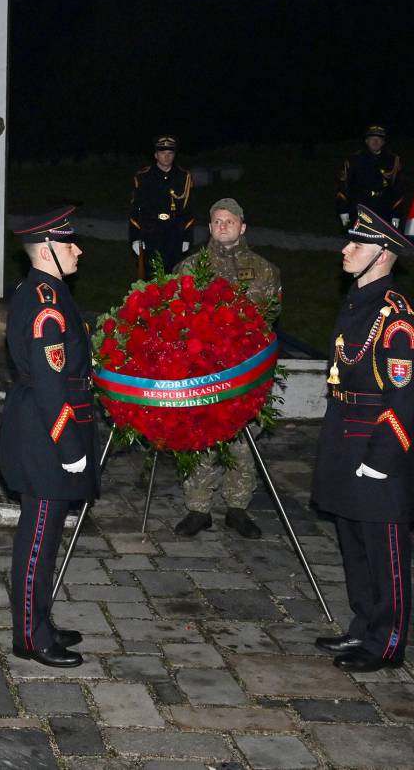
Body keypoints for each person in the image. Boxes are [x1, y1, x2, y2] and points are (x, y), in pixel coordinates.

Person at [311, 205, 414, 673]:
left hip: (378, 450)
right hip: (345, 442)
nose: (345, 249)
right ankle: (363, 626)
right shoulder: (359, 305)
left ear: (383, 255)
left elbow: (404, 401)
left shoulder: (397, 322)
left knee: (385, 553)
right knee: (354, 544)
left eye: (356, 244)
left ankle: (388, 642)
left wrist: (380, 460)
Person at [0, 206, 97, 668]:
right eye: (69, 243)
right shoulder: (46, 307)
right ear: (49, 249)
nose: (78, 250)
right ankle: (29, 638)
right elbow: (53, 388)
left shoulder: (45, 292)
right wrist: (70, 448)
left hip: (39, 425)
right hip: (45, 433)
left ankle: (41, 620)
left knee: (47, 534)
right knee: (37, 541)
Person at [175, 197, 279, 540]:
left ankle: (237, 507)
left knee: (243, 440)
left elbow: (268, 317)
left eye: (229, 221)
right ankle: (198, 508)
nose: (223, 227)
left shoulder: (265, 270)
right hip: (203, 371)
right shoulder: (191, 267)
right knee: (201, 436)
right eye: (217, 221)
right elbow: (178, 315)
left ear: (242, 226)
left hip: (246, 371)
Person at [128, 135, 194, 277]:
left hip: (175, 231)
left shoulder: (183, 176)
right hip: (151, 230)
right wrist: (135, 237)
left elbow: (188, 209)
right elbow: (135, 210)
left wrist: (187, 237)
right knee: (152, 275)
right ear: (156, 155)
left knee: (175, 274)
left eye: (170, 153)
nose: (166, 157)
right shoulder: (143, 176)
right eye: (163, 153)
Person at [335, 126, 405, 229]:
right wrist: (343, 211)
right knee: (359, 242)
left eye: (379, 139)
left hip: (384, 208)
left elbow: (398, 188)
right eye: (372, 138)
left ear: (384, 142)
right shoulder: (353, 159)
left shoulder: (393, 160)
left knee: (382, 241)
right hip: (360, 205)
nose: (376, 141)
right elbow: (343, 186)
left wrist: (397, 214)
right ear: (366, 141)